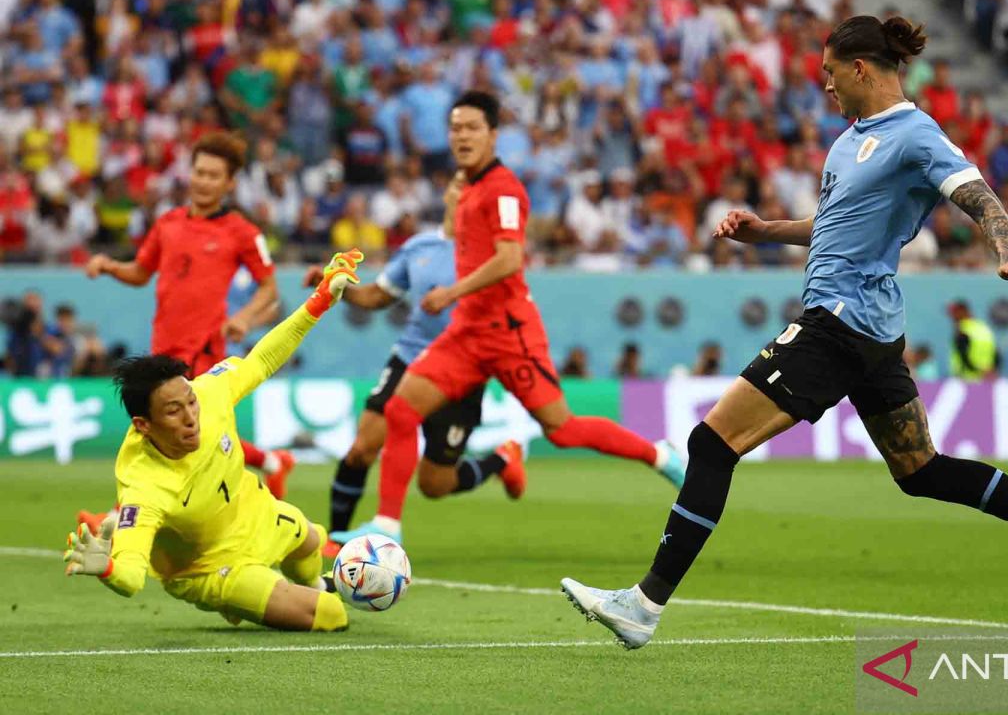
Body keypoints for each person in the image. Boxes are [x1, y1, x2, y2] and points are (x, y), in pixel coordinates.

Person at [561, 15, 1008, 650]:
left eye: (830, 73)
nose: (824, 85)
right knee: (921, 470)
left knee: (711, 444)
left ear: (861, 68)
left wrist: (1007, 252)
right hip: (873, 331)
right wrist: (764, 231)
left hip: (839, 323)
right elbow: (832, 223)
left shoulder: (916, 135)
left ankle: (644, 604)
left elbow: (982, 198)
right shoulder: (849, 140)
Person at [379, 90, 685, 498]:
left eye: (472, 128)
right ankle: (386, 527)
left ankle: (658, 455)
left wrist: (451, 291)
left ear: (493, 135)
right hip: (468, 332)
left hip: (509, 332)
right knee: (399, 409)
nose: (462, 136)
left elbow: (509, 260)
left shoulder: (503, 190)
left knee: (562, 429)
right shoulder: (467, 190)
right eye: (455, 129)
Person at [62, 250, 364, 632]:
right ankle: (258, 595)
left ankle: (313, 582)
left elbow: (264, 359)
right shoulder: (144, 486)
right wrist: (107, 568)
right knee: (331, 616)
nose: (191, 418)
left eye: (190, 401)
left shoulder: (209, 392)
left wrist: (320, 300)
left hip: (250, 511)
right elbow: (132, 578)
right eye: (173, 412)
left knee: (309, 539)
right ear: (144, 425)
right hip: (208, 566)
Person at [78, 132, 293, 535]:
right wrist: (109, 265)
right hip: (165, 346)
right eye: (199, 172)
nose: (204, 181)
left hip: (203, 348)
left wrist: (244, 319)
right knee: (195, 431)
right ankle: (271, 462)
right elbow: (141, 273)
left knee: (161, 428)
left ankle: (116, 518)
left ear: (230, 183)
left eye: (214, 175)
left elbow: (270, 289)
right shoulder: (168, 223)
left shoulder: (241, 231)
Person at [314, 179, 524, 553]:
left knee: (434, 484)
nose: (467, 195)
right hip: (411, 358)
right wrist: (338, 287)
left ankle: (502, 459)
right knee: (363, 446)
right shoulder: (419, 248)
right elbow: (378, 296)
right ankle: (334, 538)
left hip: (463, 372)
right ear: (447, 193)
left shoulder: (491, 254)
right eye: (461, 187)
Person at [946, 299, 998, 381]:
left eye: (954, 312)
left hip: (965, 379)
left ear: (962, 311)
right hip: (986, 378)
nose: (952, 316)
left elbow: (963, 354)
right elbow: (996, 352)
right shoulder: (983, 327)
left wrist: (974, 370)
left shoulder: (963, 329)